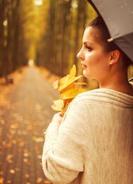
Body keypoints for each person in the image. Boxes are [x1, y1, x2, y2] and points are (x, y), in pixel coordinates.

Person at [42, 16, 133, 184]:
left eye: (88, 48)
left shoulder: (86, 106)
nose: (79, 54)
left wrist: (55, 124)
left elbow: (56, 171)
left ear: (113, 57)